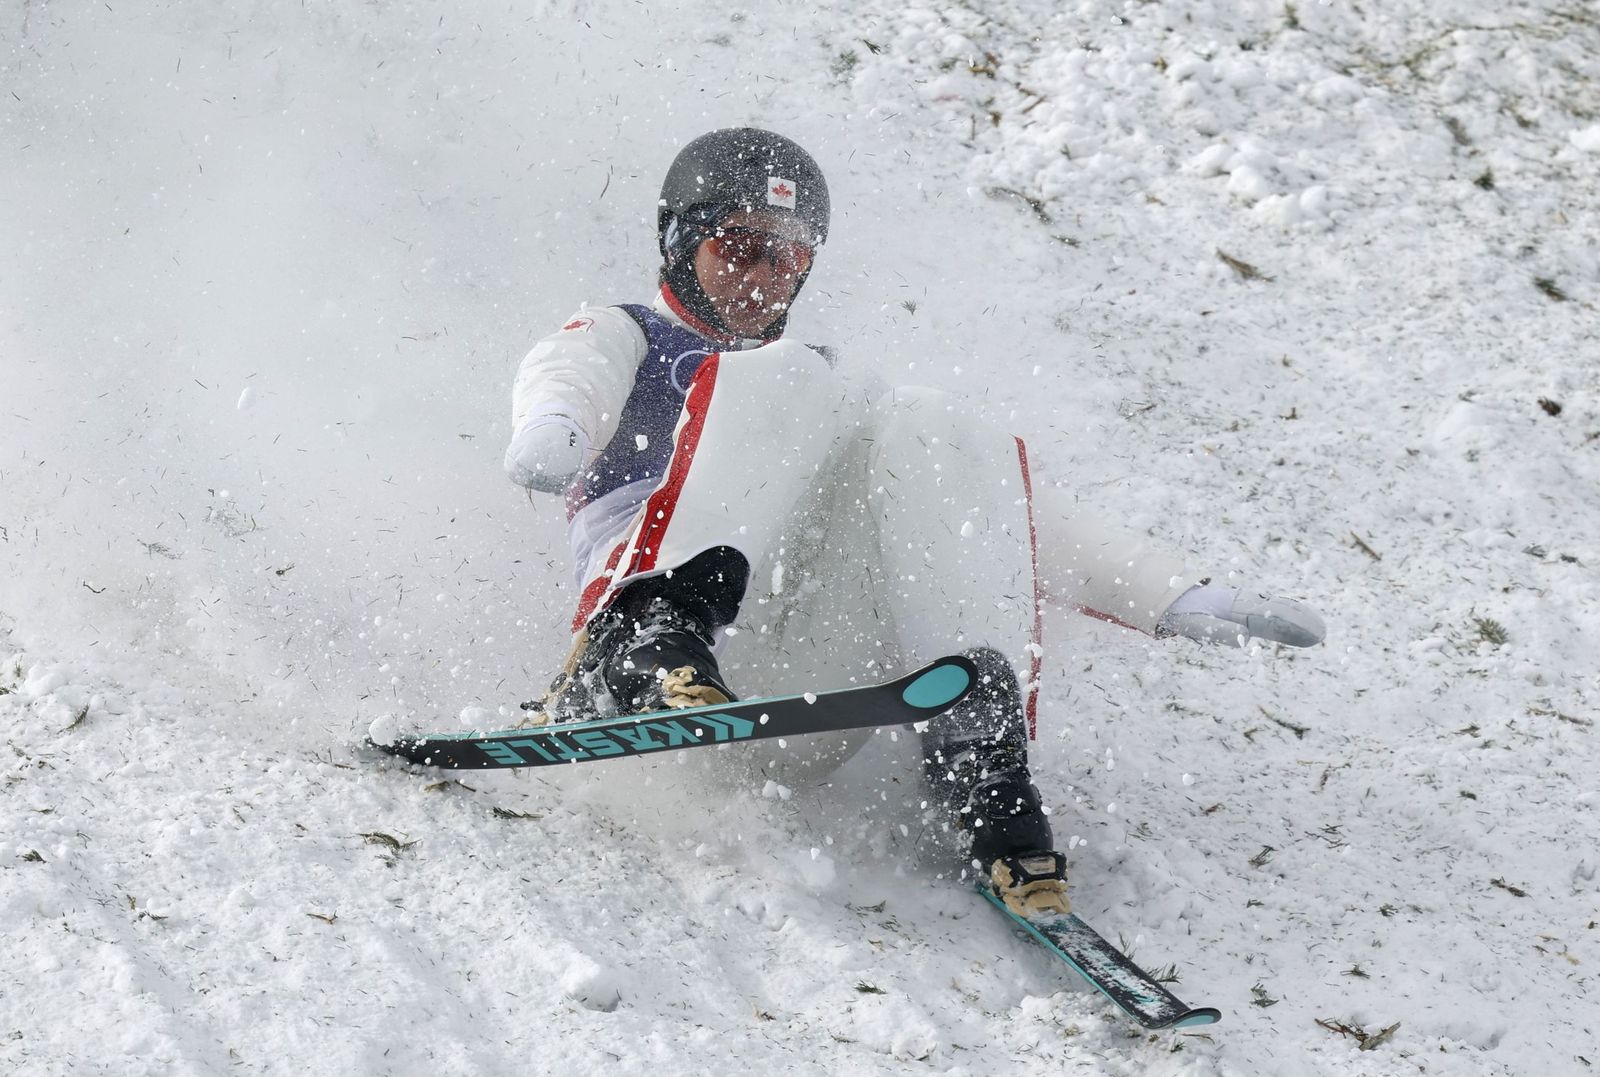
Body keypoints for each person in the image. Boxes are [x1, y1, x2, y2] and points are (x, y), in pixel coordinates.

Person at [503, 128, 1325, 919]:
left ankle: (981, 758)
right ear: (681, 241)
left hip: (782, 707)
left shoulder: (827, 389)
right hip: (644, 695)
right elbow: (570, 371)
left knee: (926, 425)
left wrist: (1177, 598)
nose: (763, 276)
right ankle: (653, 627)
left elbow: (997, 516)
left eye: (787, 256)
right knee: (788, 376)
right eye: (739, 246)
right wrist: (554, 427)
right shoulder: (630, 335)